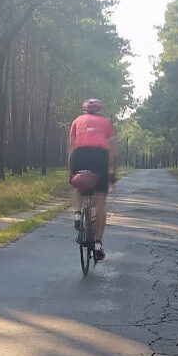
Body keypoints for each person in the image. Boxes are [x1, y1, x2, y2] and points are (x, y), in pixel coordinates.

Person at [68, 98, 116, 261]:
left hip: (79, 155)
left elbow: (71, 147)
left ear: (85, 111)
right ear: (99, 110)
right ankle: (97, 244)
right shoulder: (106, 123)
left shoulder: (76, 121)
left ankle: (77, 213)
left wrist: (70, 172)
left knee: (76, 184)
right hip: (99, 157)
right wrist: (112, 174)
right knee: (101, 200)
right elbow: (113, 152)